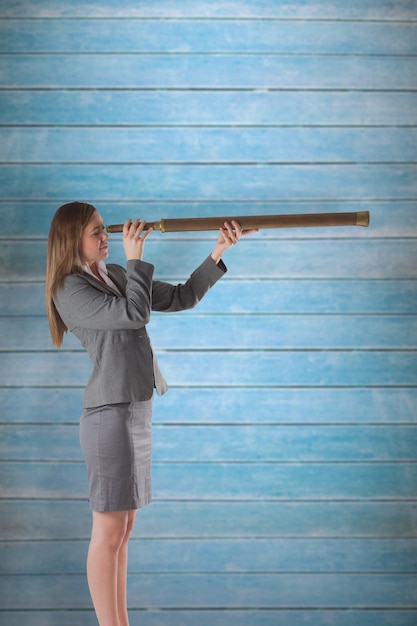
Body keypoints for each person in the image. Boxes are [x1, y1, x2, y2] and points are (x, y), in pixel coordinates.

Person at [45, 201, 256, 626]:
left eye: (106, 229)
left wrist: (217, 252)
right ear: (72, 240)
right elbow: (133, 314)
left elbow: (181, 297)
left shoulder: (117, 275)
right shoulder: (69, 289)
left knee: (123, 531)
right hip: (108, 413)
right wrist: (135, 258)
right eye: (97, 232)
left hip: (136, 408)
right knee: (107, 533)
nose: (106, 237)